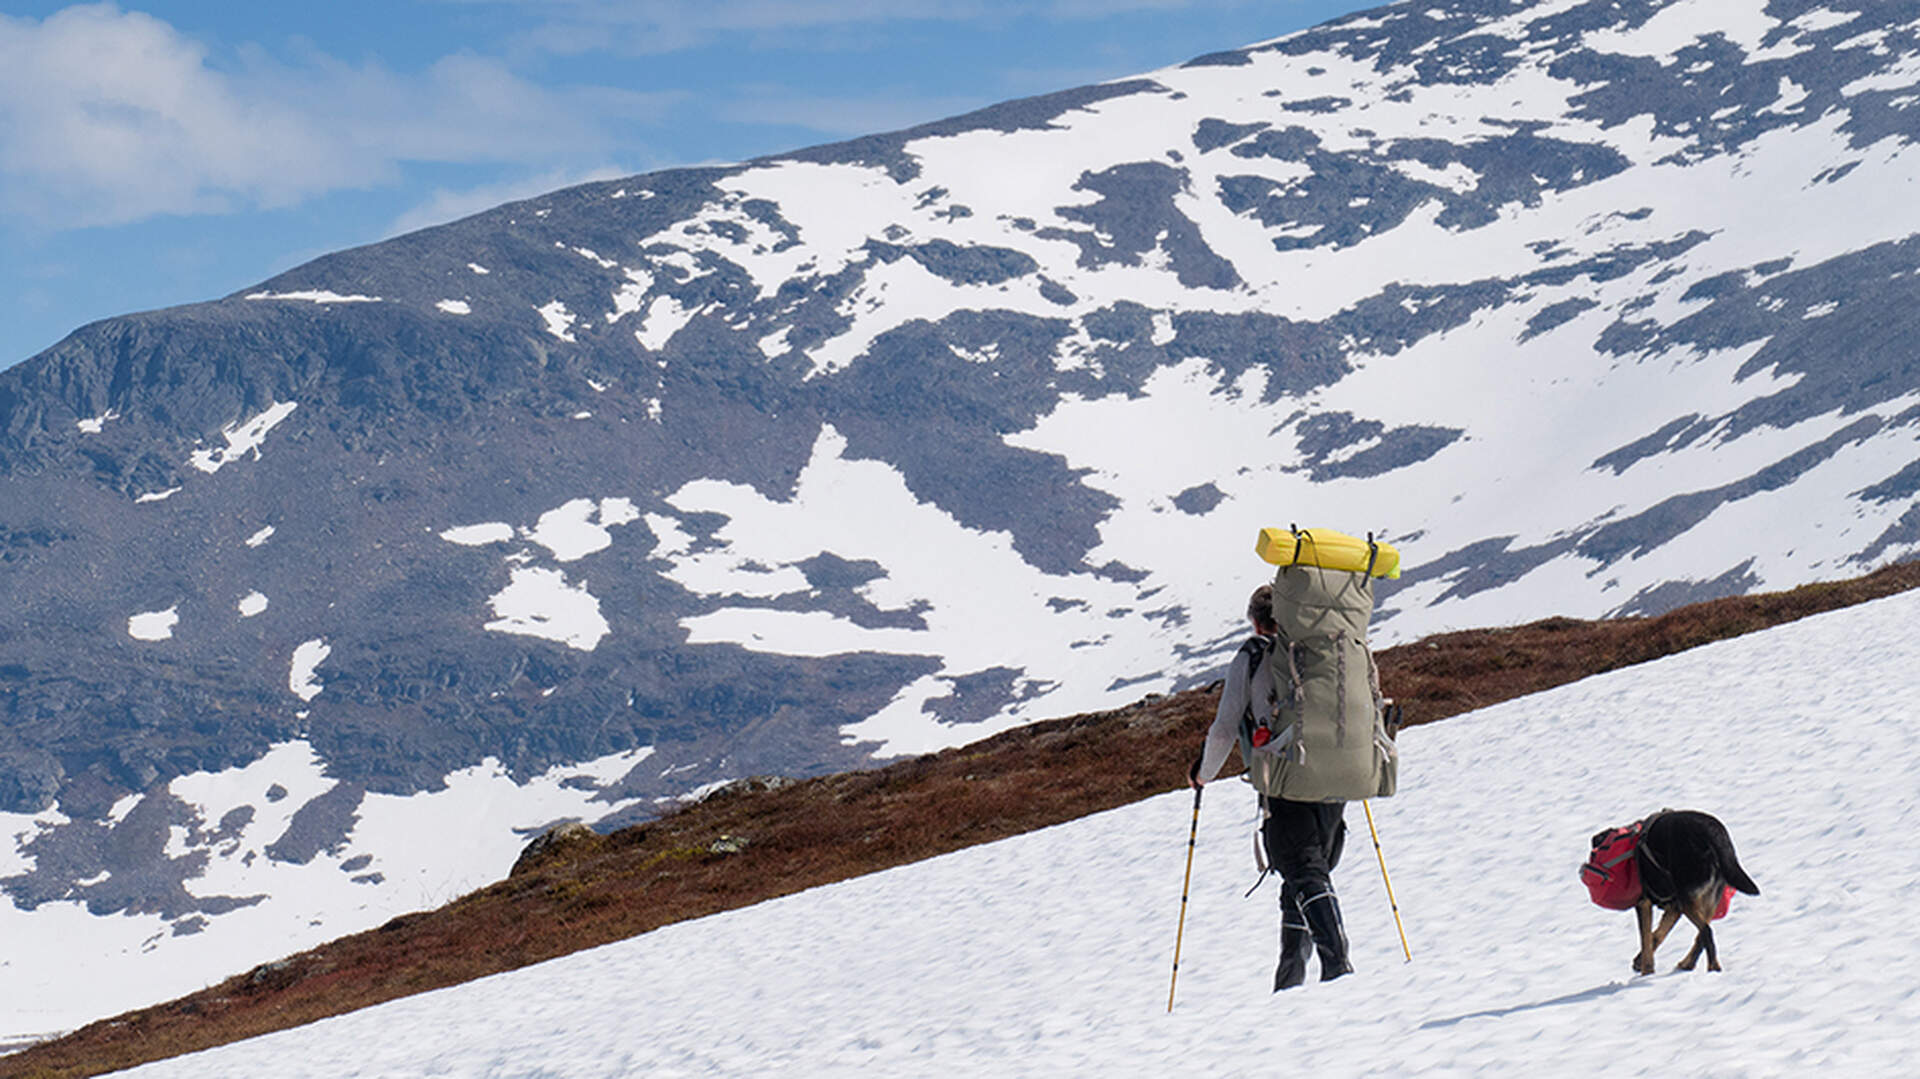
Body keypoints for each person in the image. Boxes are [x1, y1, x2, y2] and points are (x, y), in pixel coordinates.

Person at [1190, 583, 1353, 989]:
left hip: (1284, 777)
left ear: (1256, 620)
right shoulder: (1321, 646)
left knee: (1304, 871)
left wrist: (1203, 774)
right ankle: (1289, 980)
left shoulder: (1254, 654)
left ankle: (1338, 967)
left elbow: (1225, 728)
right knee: (1300, 876)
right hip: (1336, 772)